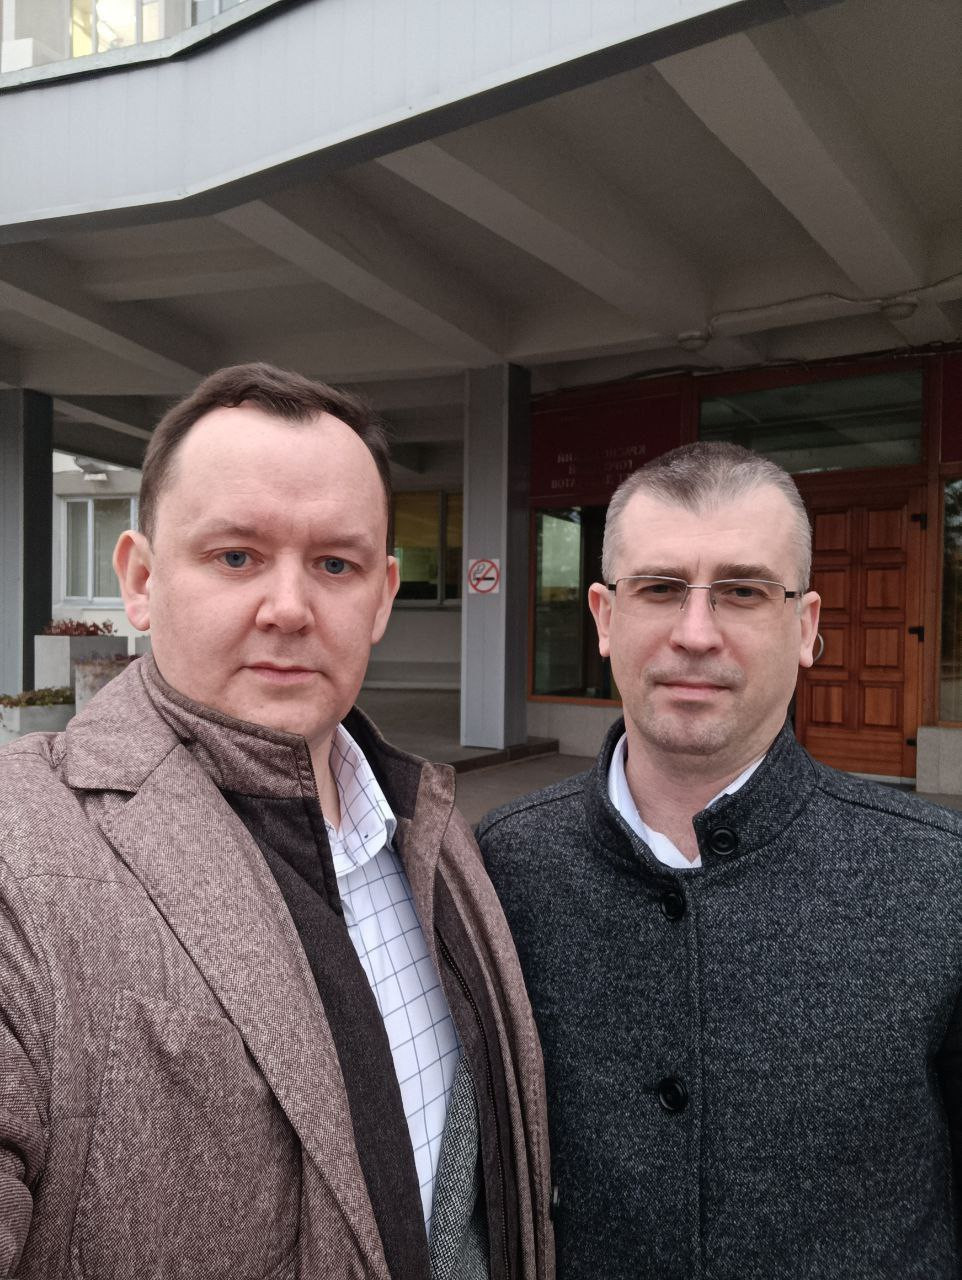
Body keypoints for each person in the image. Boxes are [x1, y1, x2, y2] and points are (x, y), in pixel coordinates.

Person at [0, 363, 553, 1280]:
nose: (290, 609)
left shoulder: (431, 828)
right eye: (236, 557)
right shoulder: (23, 854)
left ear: (382, 596)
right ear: (140, 580)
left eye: (336, 564)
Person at [478, 441, 962, 1280]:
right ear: (604, 617)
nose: (696, 634)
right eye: (660, 588)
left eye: (743, 591)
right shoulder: (499, 866)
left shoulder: (938, 878)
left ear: (805, 626)